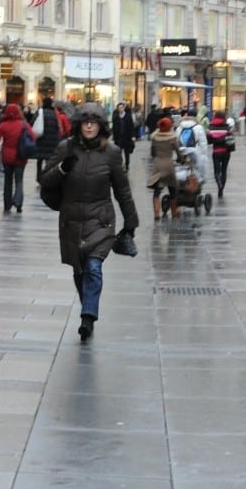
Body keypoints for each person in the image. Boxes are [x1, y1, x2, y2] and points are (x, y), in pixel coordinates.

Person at [40, 103, 139, 343]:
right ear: (79, 126)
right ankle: (89, 305)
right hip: (72, 220)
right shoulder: (66, 148)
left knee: (94, 267)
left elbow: (122, 190)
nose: (89, 126)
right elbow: (45, 179)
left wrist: (131, 221)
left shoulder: (112, 153)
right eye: (85, 122)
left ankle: (87, 317)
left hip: (100, 219)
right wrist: (63, 168)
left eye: (93, 123)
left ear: (101, 127)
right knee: (79, 269)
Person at [0, 102, 32, 215]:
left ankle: (7, 205)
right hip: (21, 156)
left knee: (8, 181)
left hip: (7, 157)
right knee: (19, 180)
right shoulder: (24, 124)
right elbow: (32, 136)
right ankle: (18, 202)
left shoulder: (3, 125)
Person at [148, 112, 181, 217]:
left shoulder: (154, 138)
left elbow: (152, 153)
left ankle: (156, 213)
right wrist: (182, 159)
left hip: (158, 165)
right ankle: (174, 211)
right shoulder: (172, 138)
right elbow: (178, 151)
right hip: (169, 165)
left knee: (157, 191)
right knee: (173, 190)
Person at [206, 110, 235, 196]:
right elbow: (231, 140)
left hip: (216, 152)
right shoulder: (228, 127)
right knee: (224, 170)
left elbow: (209, 142)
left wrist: (210, 135)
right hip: (226, 152)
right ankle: (221, 190)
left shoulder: (210, 127)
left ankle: (218, 182)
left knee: (216, 171)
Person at [112, 102, 139, 166]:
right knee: (118, 152)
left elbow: (131, 126)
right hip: (119, 138)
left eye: (121, 107)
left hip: (127, 137)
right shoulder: (116, 117)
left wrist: (133, 136)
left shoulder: (128, 116)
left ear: (124, 108)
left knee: (127, 152)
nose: (120, 109)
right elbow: (114, 128)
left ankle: (127, 165)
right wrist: (114, 137)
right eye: (119, 108)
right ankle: (120, 164)